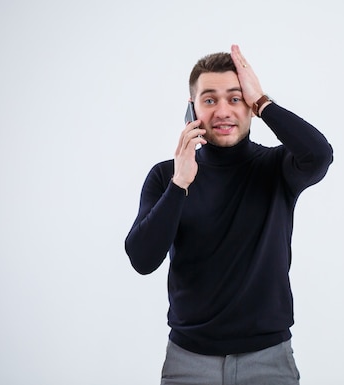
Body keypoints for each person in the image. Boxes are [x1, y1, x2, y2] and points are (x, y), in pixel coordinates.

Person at [125, 44, 333, 385]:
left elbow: (319, 155)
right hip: (188, 362)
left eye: (235, 99)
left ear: (249, 108)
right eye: (209, 100)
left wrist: (264, 101)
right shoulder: (166, 176)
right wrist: (180, 183)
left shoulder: (276, 167)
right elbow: (142, 259)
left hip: (268, 360)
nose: (222, 110)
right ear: (191, 111)